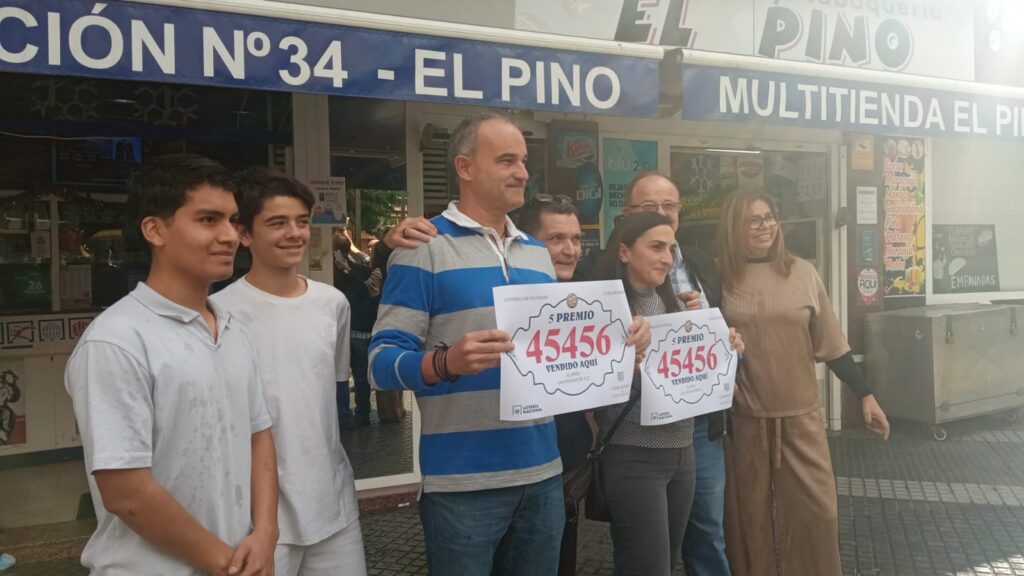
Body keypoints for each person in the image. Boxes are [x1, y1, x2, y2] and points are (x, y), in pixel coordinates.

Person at [368, 113, 567, 575]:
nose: (522, 172)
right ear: (465, 167)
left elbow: (559, 351)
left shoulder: (538, 253)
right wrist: (444, 362)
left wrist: (624, 343)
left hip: (543, 472)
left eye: (523, 160)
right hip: (462, 483)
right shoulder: (423, 247)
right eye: (507, 160)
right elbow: (380, 362)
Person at [64, 155, 277, 576]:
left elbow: (259, 436)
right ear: (154, 230)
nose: (229, 236)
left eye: (232, 221)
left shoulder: (232, 329)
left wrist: (267, 535)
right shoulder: (117, 340)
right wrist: (229, 566)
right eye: (208, 219)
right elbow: (127, 493)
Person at [716, 191, 890, 576]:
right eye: (753, 220)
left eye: (769, 216)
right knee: (747, 521)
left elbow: (832, 343)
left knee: (819, 514)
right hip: (743, 420)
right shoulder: (721, 279)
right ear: (734, 227)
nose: (765, 226)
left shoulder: (802, 272)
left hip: (801, 418)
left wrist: (865, 394)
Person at [211, 168, 366, 576]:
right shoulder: (219, 313)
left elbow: (329, 391)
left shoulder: (333, 304)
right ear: (244, 234)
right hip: (254, 518)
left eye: (301, 221)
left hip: (332, 505)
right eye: (277, 223)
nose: (294, 233)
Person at [514, 194, 651, 576]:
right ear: (526, 244)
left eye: (575, 239)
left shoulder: (591, 296)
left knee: (561, 561)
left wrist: (638, 338)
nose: (570, 249)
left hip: (567, 460)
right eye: (556, 239)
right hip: (510, 463)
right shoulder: (503, 294)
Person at [620, 172, 732, 576]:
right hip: (639, 436)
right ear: (628, 215)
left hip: (698, 427)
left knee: (707, 533)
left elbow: (717, 330)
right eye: (650, 207)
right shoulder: (605, 273)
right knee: (644, 552)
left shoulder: (702, 264)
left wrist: (725, 336)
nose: (662, 213)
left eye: (670, 206)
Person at [333, 232, 377, 428]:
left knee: (356, 376)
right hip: (348, 329)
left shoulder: (360, 271)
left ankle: (361, 413)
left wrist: (347, 272)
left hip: (357, 329)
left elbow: (364, 292)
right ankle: (350, 413)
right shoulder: (331, 273)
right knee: (347, 375)